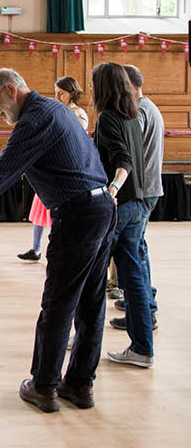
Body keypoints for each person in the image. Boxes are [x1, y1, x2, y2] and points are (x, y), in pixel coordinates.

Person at [0, 68, 113, 414]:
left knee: (58, 304)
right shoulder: (54, 110)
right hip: (100, 206)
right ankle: (79, 385)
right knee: (90, 303)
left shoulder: (35, 120)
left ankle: (44, 387)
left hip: (78, 215)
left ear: (11, 90)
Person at [90, 62, 152, 368]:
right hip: (137, 205)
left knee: (92, 276)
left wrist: (111, 190)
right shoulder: (132, 116)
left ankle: (85, 338)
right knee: (134, 279)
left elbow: (124, 160)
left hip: (121, 206)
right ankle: (142, 348)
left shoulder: (108, 118)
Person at [110, 65, 163, 329]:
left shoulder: (139, 112)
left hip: (141, 191)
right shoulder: (150, 107)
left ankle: (144, 309)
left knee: (134, 254)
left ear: (129, 85)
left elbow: (129, 153)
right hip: (149, 189)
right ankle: (144, 303)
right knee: (138, 250)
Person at [18, 76, 89, 262]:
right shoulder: (56, 111)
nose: (57, 97)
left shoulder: (78, 113)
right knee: (39, 210)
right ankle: (36, 249)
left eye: (61, 93)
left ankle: (57, 249)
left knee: (57, 214)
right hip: (50, 166)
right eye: (55, 93)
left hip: (65, 169)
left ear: (71, 93)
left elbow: (74, 137)